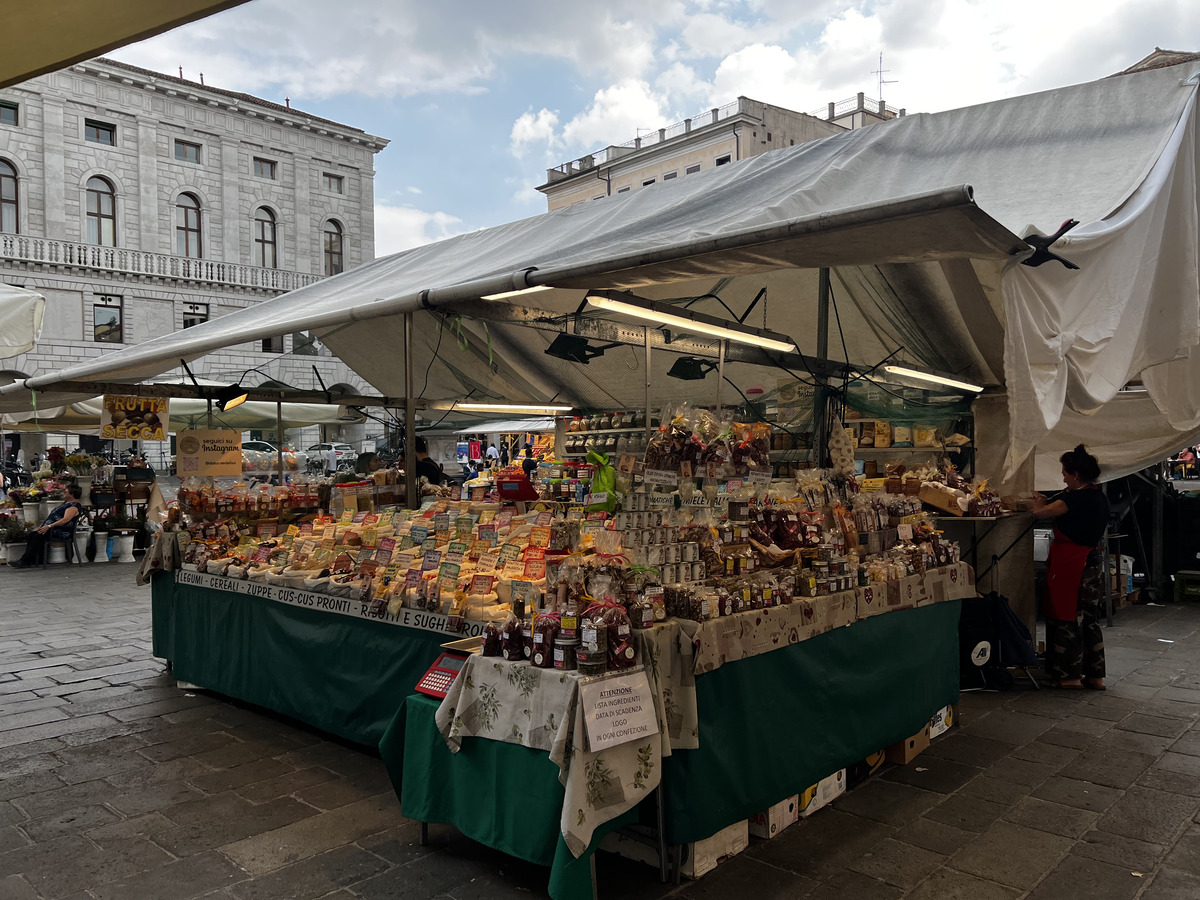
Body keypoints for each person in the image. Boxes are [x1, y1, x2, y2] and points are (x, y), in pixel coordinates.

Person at [1032, 445, 1108, 690]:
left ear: (1075, 474)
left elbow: (1039, 513)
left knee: (1067, 616)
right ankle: (1095, 676)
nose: (1062, 476)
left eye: (1064, 472)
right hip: (1092, 560)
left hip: (1072, 563)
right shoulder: (1098, 495)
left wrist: (1040, 500)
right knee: (1089, 618)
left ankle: (1069, 676)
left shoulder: (1073, 499)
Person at [10, 484, 84, 568]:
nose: (64, 493)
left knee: (37, 536)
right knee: (32, 535)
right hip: (51, 528)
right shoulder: (66, 503)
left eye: (66, 492)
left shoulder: (73, 507)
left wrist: (49, 526)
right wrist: (42, 526)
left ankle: (25, 561)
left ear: (72, 494)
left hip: (59, 530)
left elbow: (65, 520)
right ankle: (34, 560)